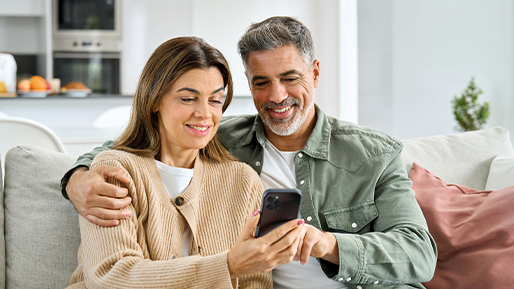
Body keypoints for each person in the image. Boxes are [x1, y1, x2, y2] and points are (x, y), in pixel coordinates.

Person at [62, 17, 437, 288]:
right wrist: (76, 178)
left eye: (290, 78)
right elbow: (135, 143)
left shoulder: (373, 154)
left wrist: (328, 243)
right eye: (262, 82)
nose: (276, 96)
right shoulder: (217, 138)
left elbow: (420, 255)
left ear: (316, 73)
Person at [66, 36, 306, 289]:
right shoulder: (118, 173)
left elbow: (255, 283)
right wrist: (227, 265)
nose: (205, 114)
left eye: (215, 100)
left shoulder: (243, 181)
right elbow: (112, 277)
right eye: (188, 99)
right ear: (155, 100)